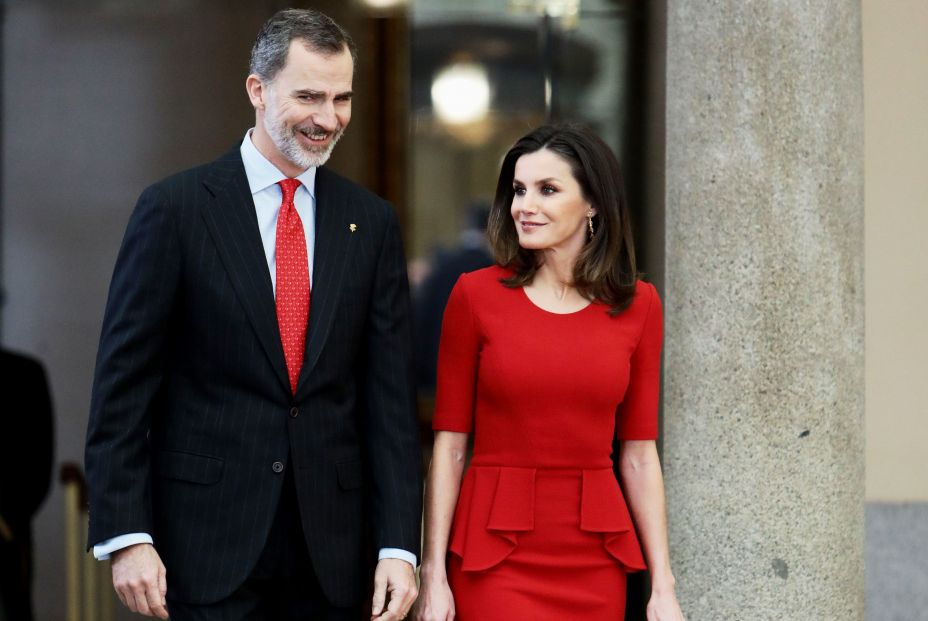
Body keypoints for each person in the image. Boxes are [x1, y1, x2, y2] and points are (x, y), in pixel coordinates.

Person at [84, 9, 422, 620]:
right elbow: (122, 390)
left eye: (342, 98)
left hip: (334, 558)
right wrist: (128, 536)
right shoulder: (176, 210)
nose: (328, 118)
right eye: (309, 96)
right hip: (204, 547)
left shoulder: (370, 223)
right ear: (257, 90)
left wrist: (399, 545)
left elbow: (390, 402)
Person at [415, 124, 686, 621]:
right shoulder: (474, 296)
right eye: (519, 190)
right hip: (494, 556)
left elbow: (639, 455)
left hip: (595, 557)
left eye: (547, 189)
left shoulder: (639, 306)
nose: (525, 205)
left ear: (593, 204)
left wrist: (662, 585)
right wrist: (432, 574)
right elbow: (450, 446)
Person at [0, 348, 54, 621]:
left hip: (9, 528)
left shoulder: (25, 373)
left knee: (14, 607)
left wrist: (8, 518)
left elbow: (40, 458)